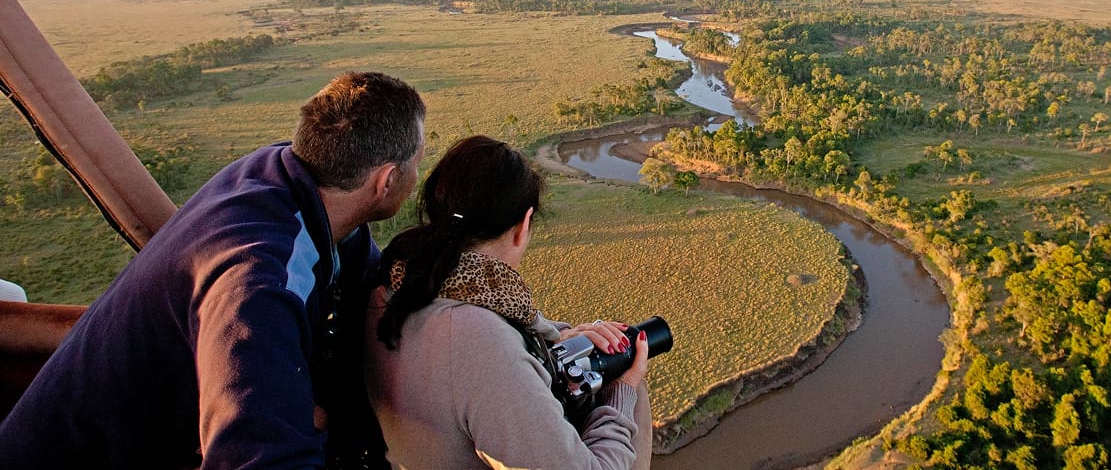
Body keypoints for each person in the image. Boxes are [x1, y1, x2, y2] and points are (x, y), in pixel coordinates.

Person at [0, 71, 426, 470]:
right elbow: (259, 459)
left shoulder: (289, 178)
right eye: (417, 164)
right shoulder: (259, 281)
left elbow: (363, 276)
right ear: (386, 181)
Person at [366, 135, 653, 470]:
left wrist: (559, 341)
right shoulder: (476, 338)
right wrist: (621, 393)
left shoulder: (393, 285)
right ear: (524, 226)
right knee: (635, 397)